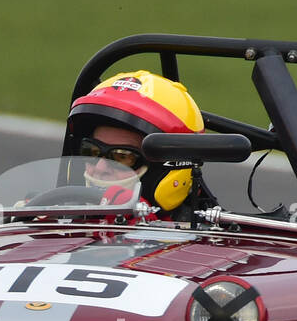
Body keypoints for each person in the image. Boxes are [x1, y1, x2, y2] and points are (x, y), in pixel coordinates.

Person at [65, 70, 207, 218]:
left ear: (159, 172)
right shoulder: (55, 222)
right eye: (92, 152)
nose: (100, 168)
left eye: (121, 157)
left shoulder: (208, 239)